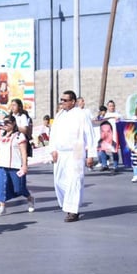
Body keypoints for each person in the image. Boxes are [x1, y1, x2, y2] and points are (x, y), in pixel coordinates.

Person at [49, 90, 97, 222]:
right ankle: (67, 204)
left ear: (73, 102)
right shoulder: (59, 115)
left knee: (75, 180)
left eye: (65, 100)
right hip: (61, 152)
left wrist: (90, 155)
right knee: (59, 181)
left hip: (77, 150)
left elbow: (90, 134)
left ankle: (73, 210)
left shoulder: (81, 115)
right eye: (61, 100)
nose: (62, 102)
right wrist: (52, 149)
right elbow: (53, 133)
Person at [0, 114, 35, 216]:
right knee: (1, 186)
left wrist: (24, 165)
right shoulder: (2, 134)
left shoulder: (19, 136)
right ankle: (2, 206)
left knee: (19, 188)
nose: (6, 124)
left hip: (15, 166)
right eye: (4, 122)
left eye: (8, 122)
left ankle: (30, 198)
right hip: (2, 165)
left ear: (14, 123)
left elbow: (23, 152)